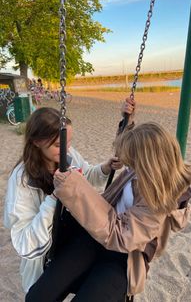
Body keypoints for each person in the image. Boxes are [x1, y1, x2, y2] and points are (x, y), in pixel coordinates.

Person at [25, 118, 191, 301]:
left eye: (132, 162)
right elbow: (131, 146)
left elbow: (121, 236)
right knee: (38, 296)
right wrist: (127, 117)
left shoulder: (160, 200)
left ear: (149, 163)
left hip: (125, 257)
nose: (127, 166)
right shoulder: (135, 172)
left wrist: (74, 187)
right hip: (94, 238)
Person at [3, 105, 133, 296]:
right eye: (58, 145)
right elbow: (24, 243)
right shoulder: (22, 181)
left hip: (74, 236)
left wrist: (105, 168)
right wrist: (54, 199)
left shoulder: (66, 155)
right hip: (47, 251)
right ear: (37, 142)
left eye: (69, 142)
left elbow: (86, 175)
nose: (67, 148)